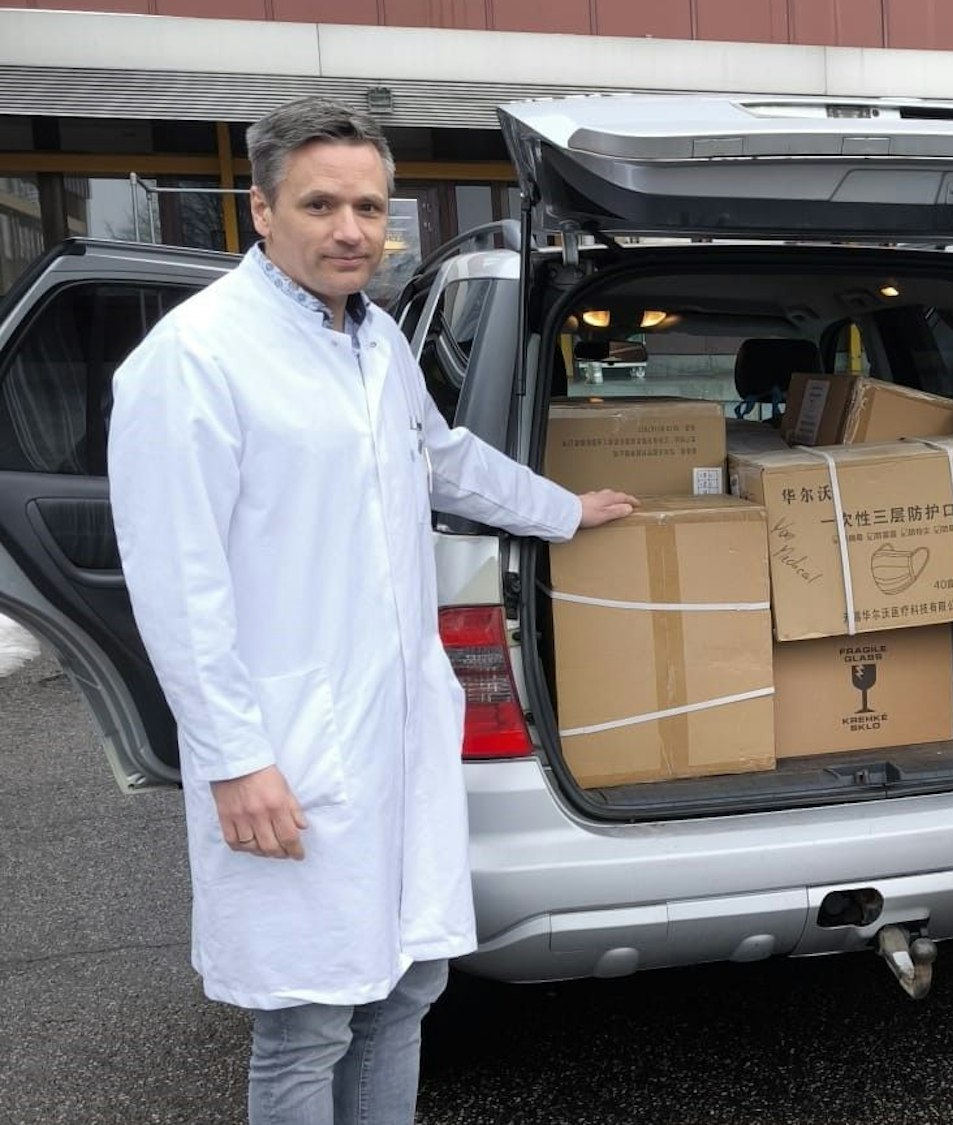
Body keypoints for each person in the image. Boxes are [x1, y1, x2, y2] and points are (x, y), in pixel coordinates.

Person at [106, 97, 636, 1125]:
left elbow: (441, 458)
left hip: (393, 735)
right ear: (260, 211)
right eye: (319, 204)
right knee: (306, 1022)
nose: (349, 230)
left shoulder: (375, 339)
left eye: (368, 206)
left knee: (406, 992)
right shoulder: (196, 358)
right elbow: (175, 580)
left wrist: (565, 509)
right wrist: (232, 757)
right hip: (288, 749)